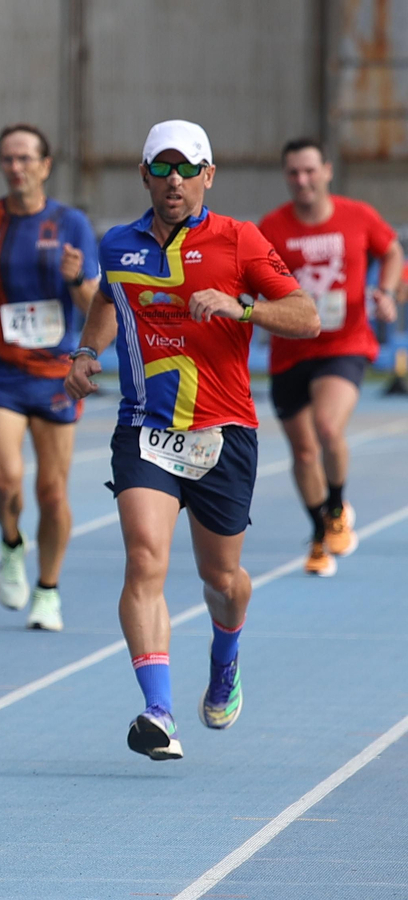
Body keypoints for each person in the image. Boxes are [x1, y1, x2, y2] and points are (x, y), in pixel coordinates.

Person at [66, 120, 318, 761]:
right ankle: (158, 710)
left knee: (222, 577)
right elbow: (106, 296)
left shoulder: (240, 239)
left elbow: (306, 316)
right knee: (145, 558)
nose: (173, 180)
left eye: (186, 169)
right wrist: (85, 351)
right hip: (144, 427)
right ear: (144, 174)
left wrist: (242, 308)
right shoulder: (118, 244)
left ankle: (226, 655)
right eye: (161, 168)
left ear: (209, 175)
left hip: (223, 432)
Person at [0, 124, 100, 632]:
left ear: (45, 165)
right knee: (3, 480)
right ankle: (11, 542)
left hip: (56, 373)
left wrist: (77, 278)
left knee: (52, 493)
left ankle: (48, 589)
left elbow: (91, 305)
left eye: (25, 158)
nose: (16, 167)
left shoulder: (70, 223)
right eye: (8, 159)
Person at [258, 138, 403, 577]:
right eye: (293, 173)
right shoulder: (272, 227)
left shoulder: (357, 216)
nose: (302, 180)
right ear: (286, 177)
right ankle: (319, 532)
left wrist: (388, 292)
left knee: (325, 426)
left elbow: (392, 250)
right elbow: (250, 274)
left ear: (326, 171)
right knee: (303, 453)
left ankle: (336, 507)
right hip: (289, 350)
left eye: (309, 171)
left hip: (344, 344)